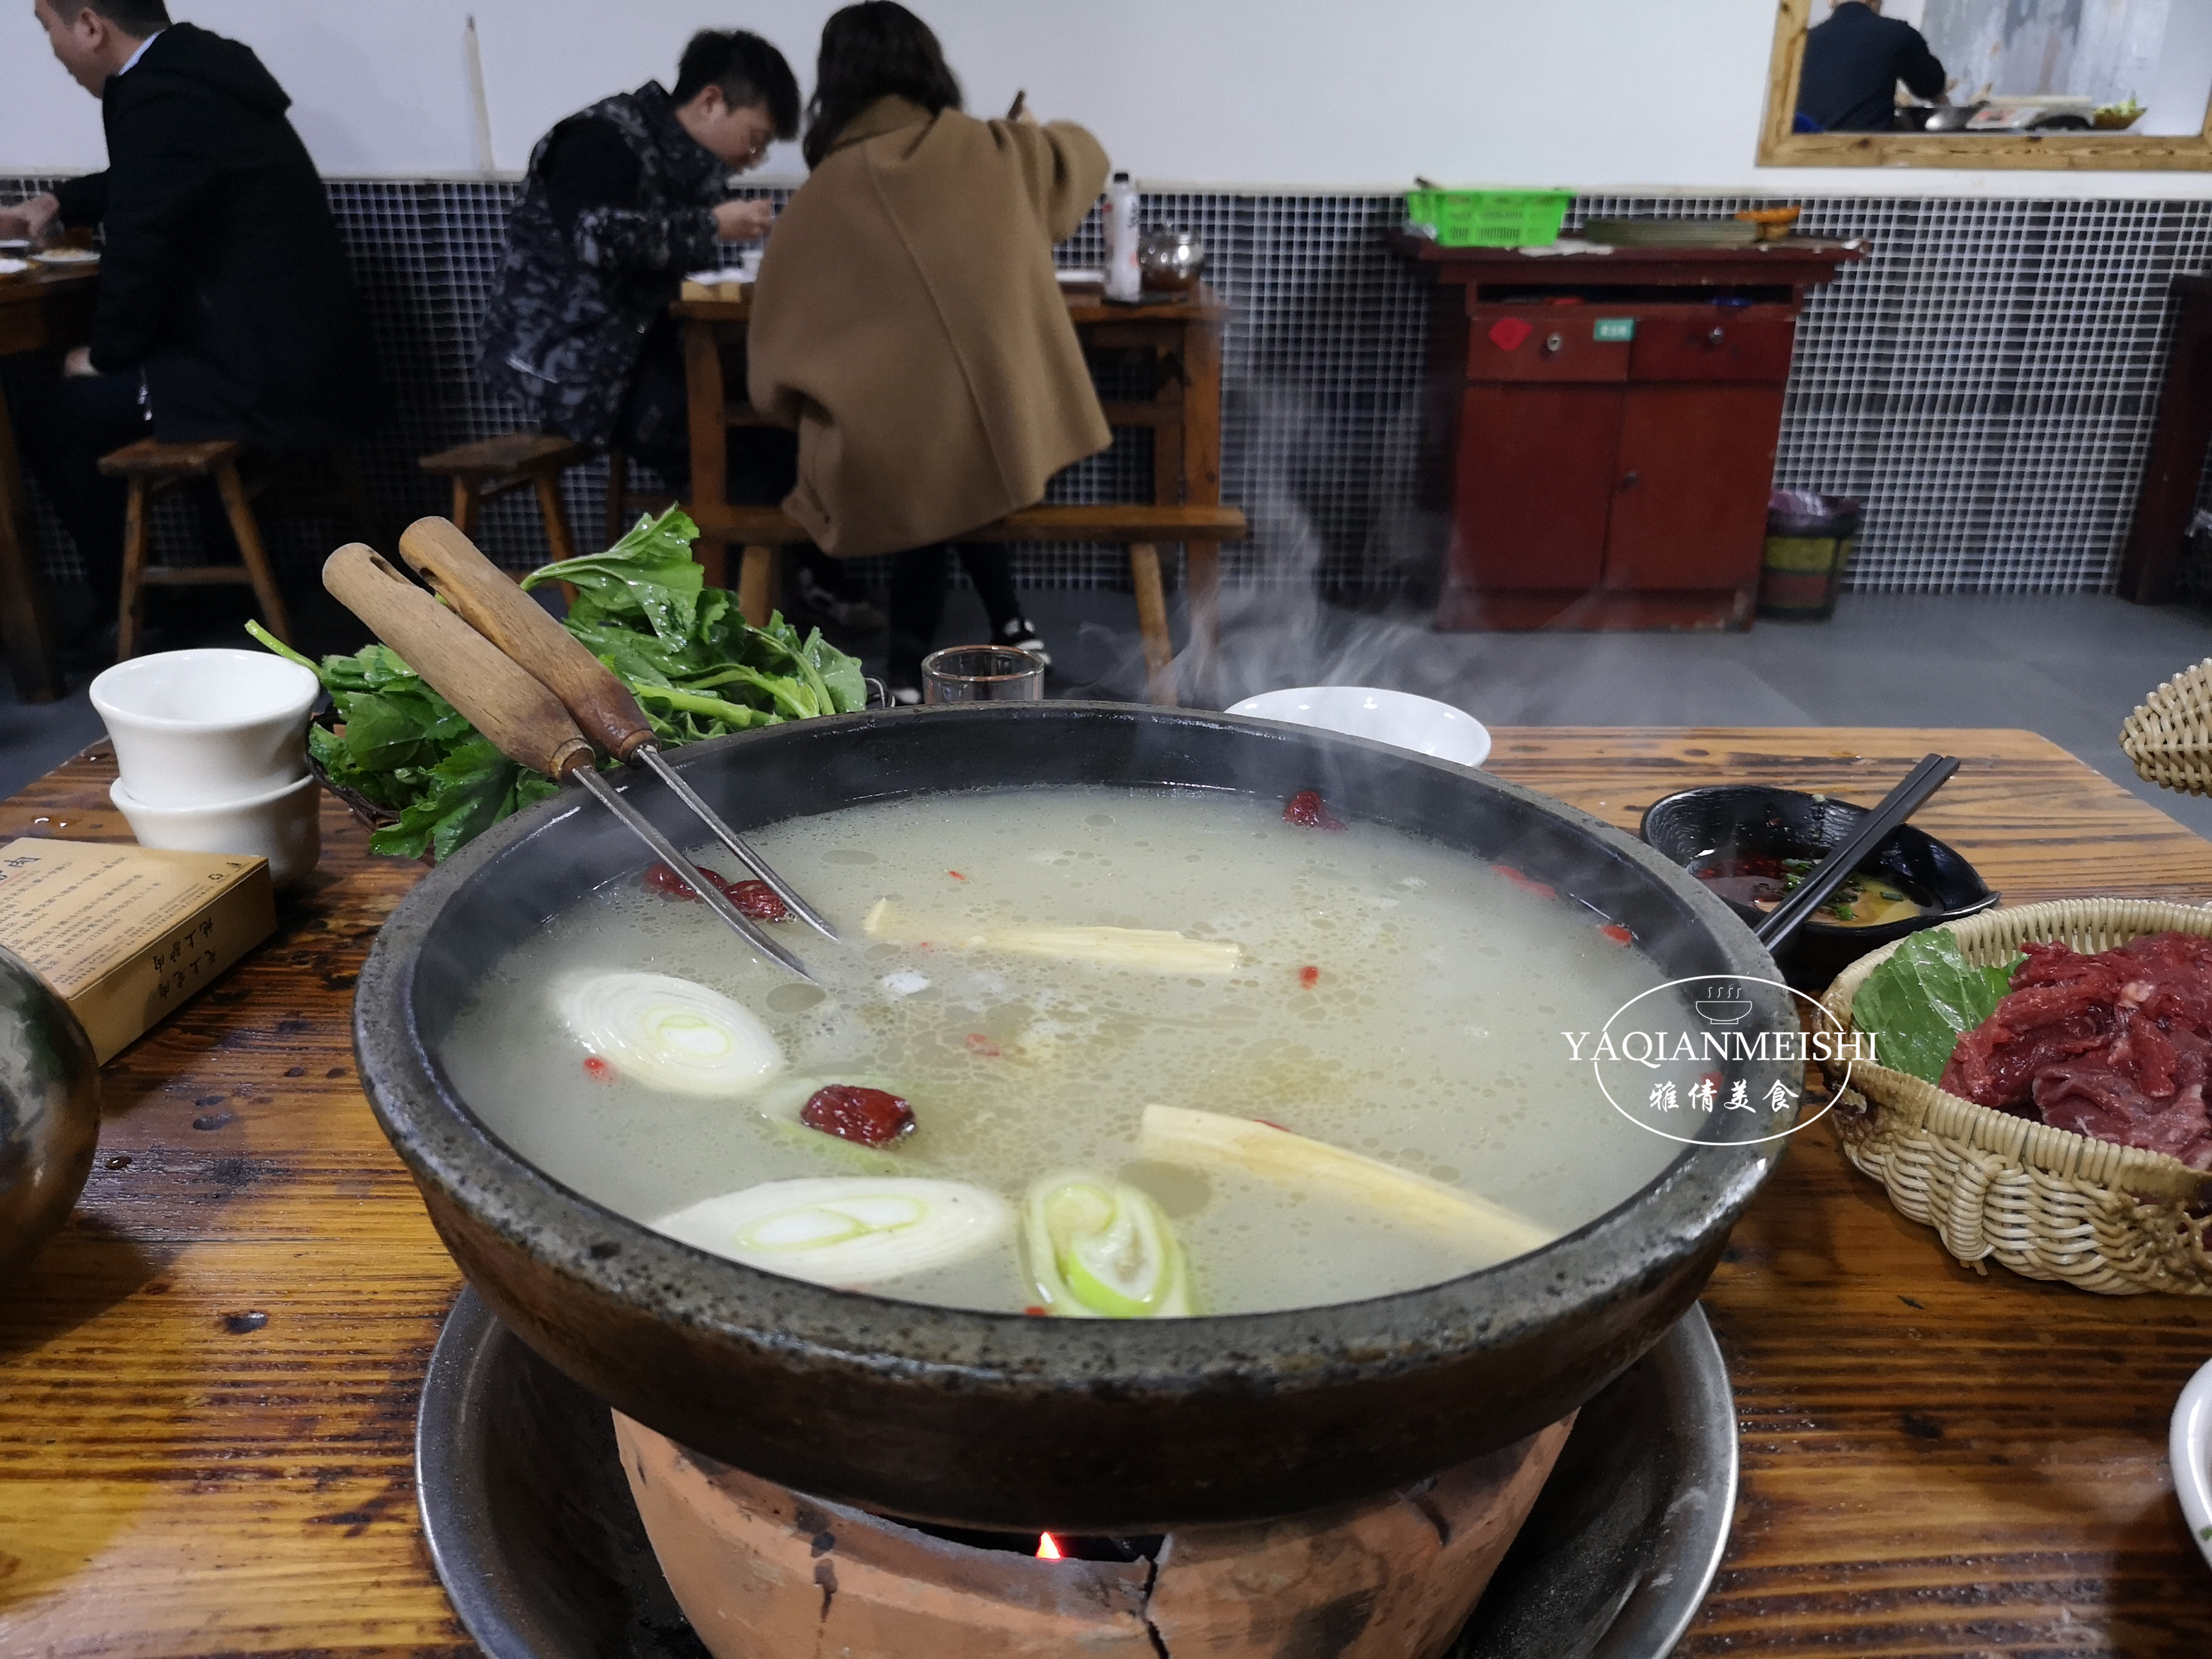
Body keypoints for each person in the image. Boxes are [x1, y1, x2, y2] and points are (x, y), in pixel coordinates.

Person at [746, 2, 1110, 700]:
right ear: (928, 66)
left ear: (834, 84)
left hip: (875, 464)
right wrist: (1030, 132)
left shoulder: (819, 199)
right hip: (1005, 441)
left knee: (926, 451)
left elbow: (770, 387)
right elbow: (1086, 155)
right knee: (959, 450)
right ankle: (1006, 630)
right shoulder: (995, 150)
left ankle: (913, 663)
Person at [477, 31, 875, 632]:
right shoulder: (599, 139)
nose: (753, 159)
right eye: (757, 139)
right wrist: (709, 225)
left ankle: (804, 592)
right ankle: (735, 634)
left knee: (780, 423)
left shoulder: (682, 161)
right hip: (567, 361)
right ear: (712, 101)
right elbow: (595, 235)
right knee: (726, 456)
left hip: (633, 348)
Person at [4, 0, 383, 628]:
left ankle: (132, 609)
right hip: (306, 351)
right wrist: (57, 201)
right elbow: (146, 180)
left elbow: (140, 250)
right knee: (142, 381)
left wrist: (103, 355)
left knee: (56, 421)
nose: (54, 52)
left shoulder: (155, 98)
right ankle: (224, 586)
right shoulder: (201, 71)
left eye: (50, 29)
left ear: (91, 26)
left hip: (261, 372)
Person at [1795, 0, 1947, 133]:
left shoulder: (1803, 44)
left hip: (1801, 158)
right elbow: (1932, 85)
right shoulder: (1897, 33)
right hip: (1864, 157)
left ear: (1831, 1)